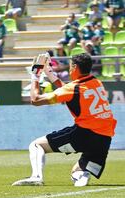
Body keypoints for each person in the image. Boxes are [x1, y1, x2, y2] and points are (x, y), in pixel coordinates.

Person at [12, 53, 117, 187]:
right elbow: (67, 91)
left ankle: (36, 176)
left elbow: (35, 100)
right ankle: (83, 174)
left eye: (70, 67)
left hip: (85, 133)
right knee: (76, 171)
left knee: (36, 145)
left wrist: (35, 75)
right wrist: (49, 72)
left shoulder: (73, 88)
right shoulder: (96, 82)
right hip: (104, 138)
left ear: (75, 67)